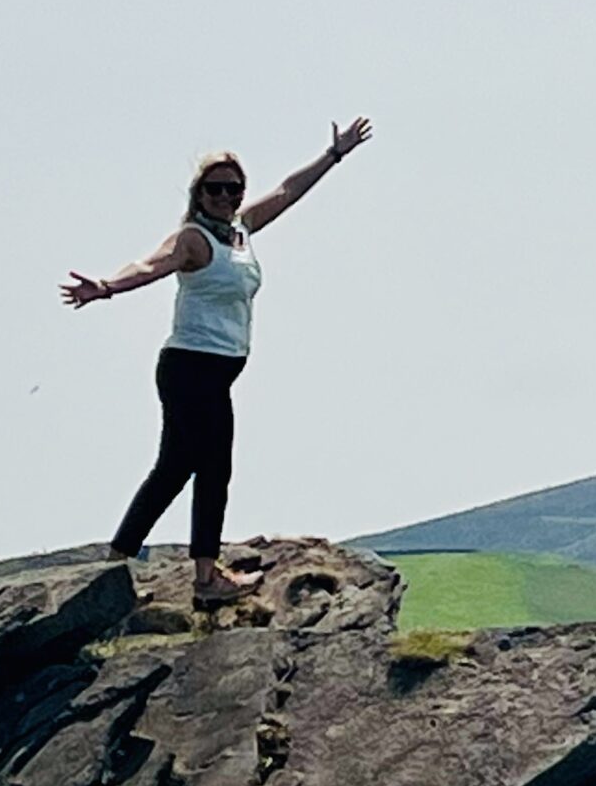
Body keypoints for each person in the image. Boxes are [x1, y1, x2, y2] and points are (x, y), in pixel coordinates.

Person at [62, 119, 372, 603]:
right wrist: (106, 288)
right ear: (199, 193)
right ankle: (206, 579)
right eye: (216, 189)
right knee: (214, 467)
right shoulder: (194, 239)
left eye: (234, 188)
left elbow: (288, 191)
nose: (226, 196)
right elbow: (151, 264)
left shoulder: (240, 232)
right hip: (191, 368)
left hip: (214, 370)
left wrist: (333, 155)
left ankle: (117, 559)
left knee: (173, 466)